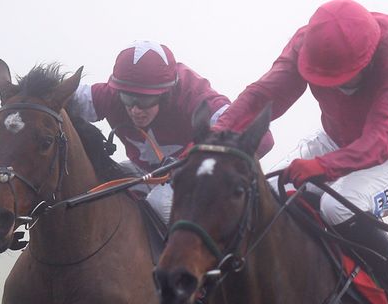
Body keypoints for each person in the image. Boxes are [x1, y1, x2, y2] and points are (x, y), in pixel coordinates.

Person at [213, 0, 388, 304]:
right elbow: (264, 95)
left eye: (346, 77)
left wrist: (323, 167)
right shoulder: (307, 43)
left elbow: (384, 138)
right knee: (263, 195)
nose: (338, 86)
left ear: (368, 59)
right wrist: (217, 134)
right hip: (335, 141)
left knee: (335, 207)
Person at [68, 40, 274, 222]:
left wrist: (196, 161)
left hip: (193, 179)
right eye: (128, 99)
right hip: (147, 173)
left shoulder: (193, 94)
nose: (135, 110)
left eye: (145, 100)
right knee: (99, 189)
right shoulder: (112, 94)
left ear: (166, 93)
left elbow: (263, 138)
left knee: (159, 202)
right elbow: (56, 98)